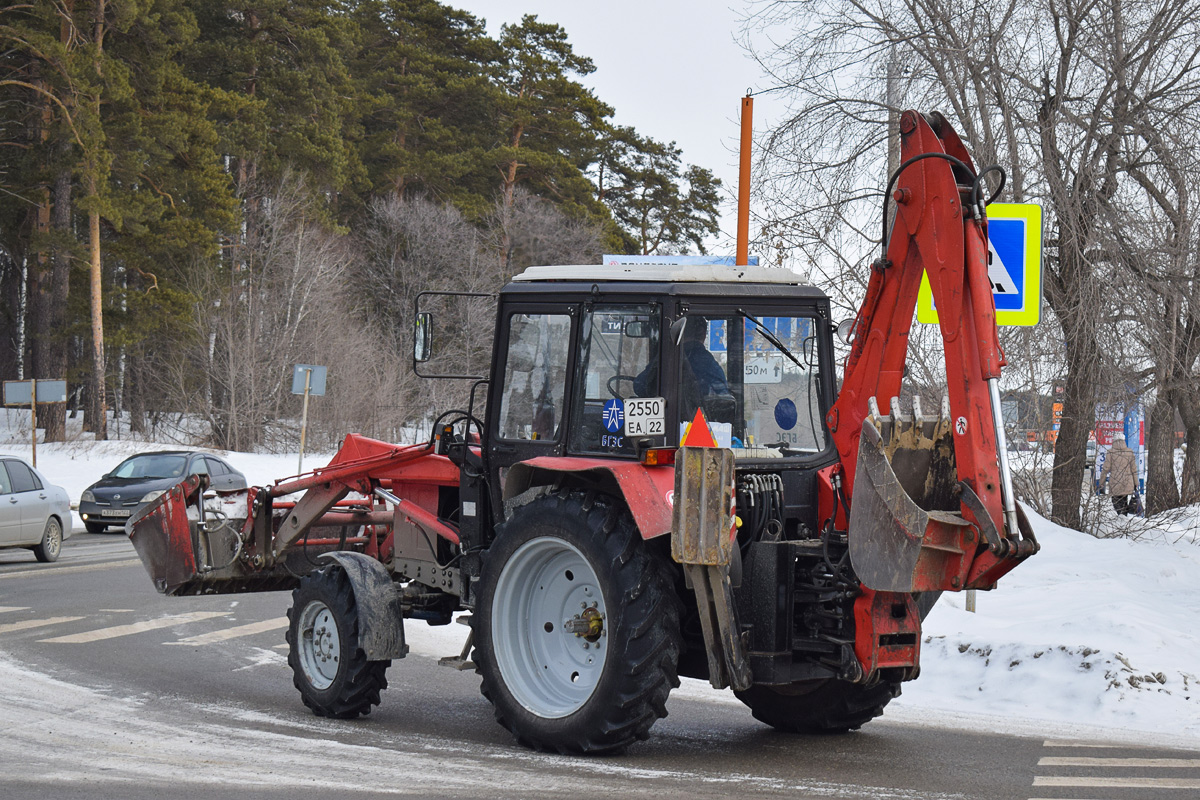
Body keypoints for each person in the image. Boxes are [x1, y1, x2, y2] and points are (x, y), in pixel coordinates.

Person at [1098, 433, 1140, 515]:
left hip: (1115, 482)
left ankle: (1122, 517)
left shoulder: (1111, 452)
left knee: (1116, 501)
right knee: (1124, 501)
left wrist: (1101, 482)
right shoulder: (1129, 452)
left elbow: (1106, 468)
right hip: (1128, 482)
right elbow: (1134, 469)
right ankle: (1124, 517)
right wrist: (1136, 483)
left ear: (1114, 441)